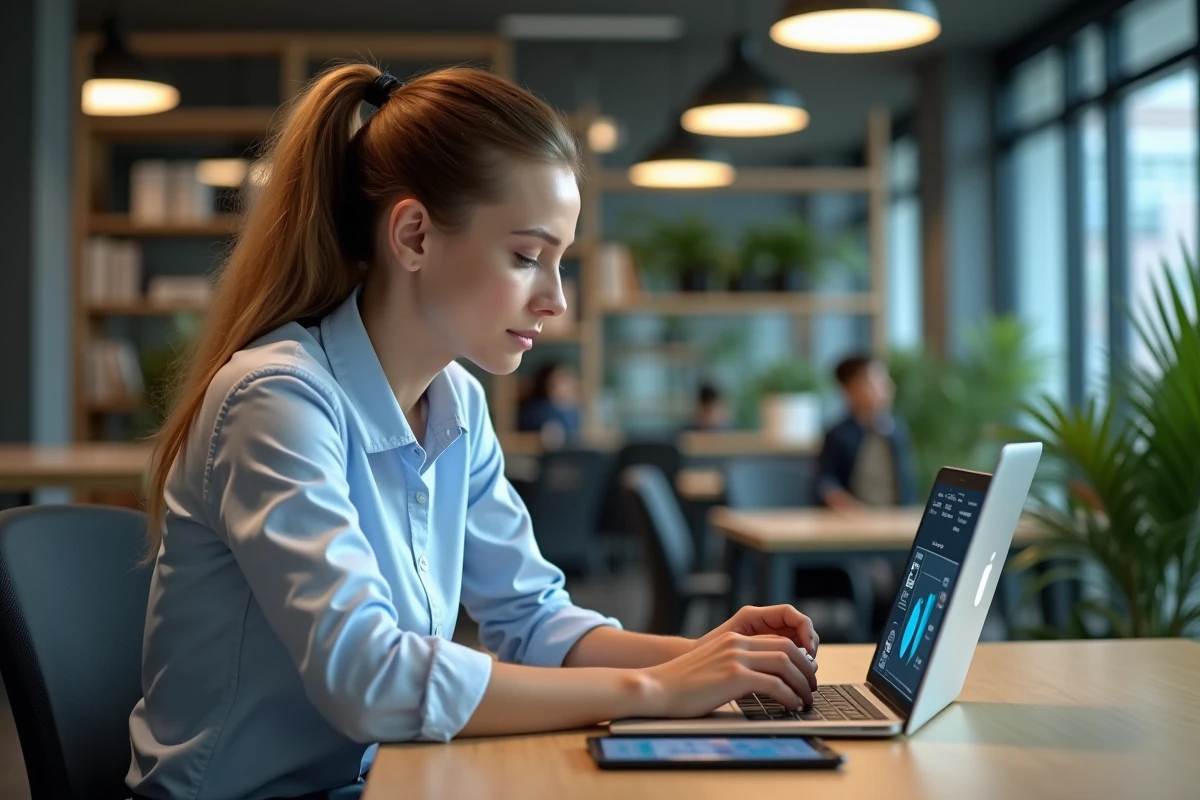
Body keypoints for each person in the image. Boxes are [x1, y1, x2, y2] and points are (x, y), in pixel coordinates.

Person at [127, 64, 820, 800]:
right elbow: (368, 678)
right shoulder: (276, 400)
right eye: (526, 256)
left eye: (560, 261)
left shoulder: (456, 399)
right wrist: (654, 689)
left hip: (378, 778)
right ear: (415, 234)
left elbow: (532, 618)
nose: (554, 299)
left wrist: (712, 659)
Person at [813, 354, 916, 511]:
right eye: (875, 383)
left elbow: (907, 485)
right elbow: (825, 483)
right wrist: (848, 506)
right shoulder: (839, 435)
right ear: (850, 389)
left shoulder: (897, 430)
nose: (887, 388)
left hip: (897, 519)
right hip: (856, 521)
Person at [517, 360, 582, 447]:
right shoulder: (537, 411)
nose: (570, 385)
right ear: (548, 383)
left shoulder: (573, 410)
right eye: (563, 380)